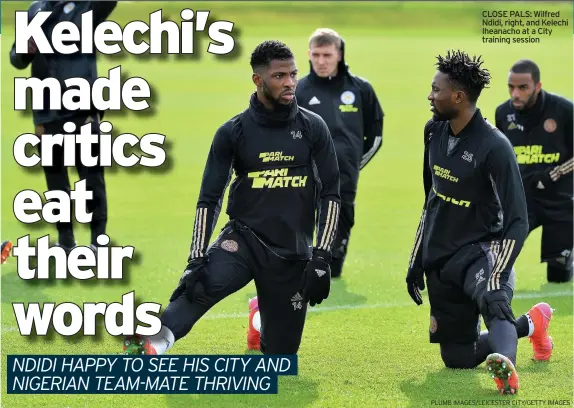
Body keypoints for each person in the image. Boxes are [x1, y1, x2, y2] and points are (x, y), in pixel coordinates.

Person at [123, 40, 341, 356]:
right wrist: (196, 257)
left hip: (291, 252)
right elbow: (209, 198)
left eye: (293, 74)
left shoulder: (313, 127)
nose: (290, 83)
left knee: (282, 353)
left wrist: (321, 257)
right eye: (280, 76)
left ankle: (259, 318)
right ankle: (143, 346)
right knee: (196, 290)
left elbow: (332, 194)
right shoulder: (233, 131)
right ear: (258, 80)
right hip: (243, 241)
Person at [406, 50, 554, 396]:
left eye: (435, 89)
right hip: (443, 254)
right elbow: (432, 201)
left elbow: (519, 219)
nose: (430, 96)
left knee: (494, 300)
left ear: (457, 97)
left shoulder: (494, 146)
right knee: (456, 358)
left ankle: (506, 367)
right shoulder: (434, 132)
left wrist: (499, 272)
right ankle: (534, 323)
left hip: (483, 250)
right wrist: (416, 259)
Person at [9, 1, 117, 252]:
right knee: (56, 180)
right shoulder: (36, 10)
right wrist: (25, 49)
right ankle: (66, 240)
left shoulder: (87, 7)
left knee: (91, 179)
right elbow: (17, 58)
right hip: (47, 111)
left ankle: (97, 242)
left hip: (83, 109)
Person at [295, 28, 384, 278]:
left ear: (339, 54)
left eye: (327, 55)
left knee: (335, 252)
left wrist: (353, 163)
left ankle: (332, 263)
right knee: (300, 219)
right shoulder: (299, 91)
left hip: (345, 174)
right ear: (309, 55)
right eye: (316, 55)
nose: (321, 61)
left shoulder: (360, 89)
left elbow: (375, 136)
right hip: (306, 172)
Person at [495, 59, 573, 284]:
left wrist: (553, 174)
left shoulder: (565, 111)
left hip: (560, 201)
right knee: (498, 257)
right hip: (521, 198)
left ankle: (566, 258)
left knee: (558, 274)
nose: (515, 94)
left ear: (537, 87)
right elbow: (499, 156)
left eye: (522, 87)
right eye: (511, 87)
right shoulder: (503, 113)